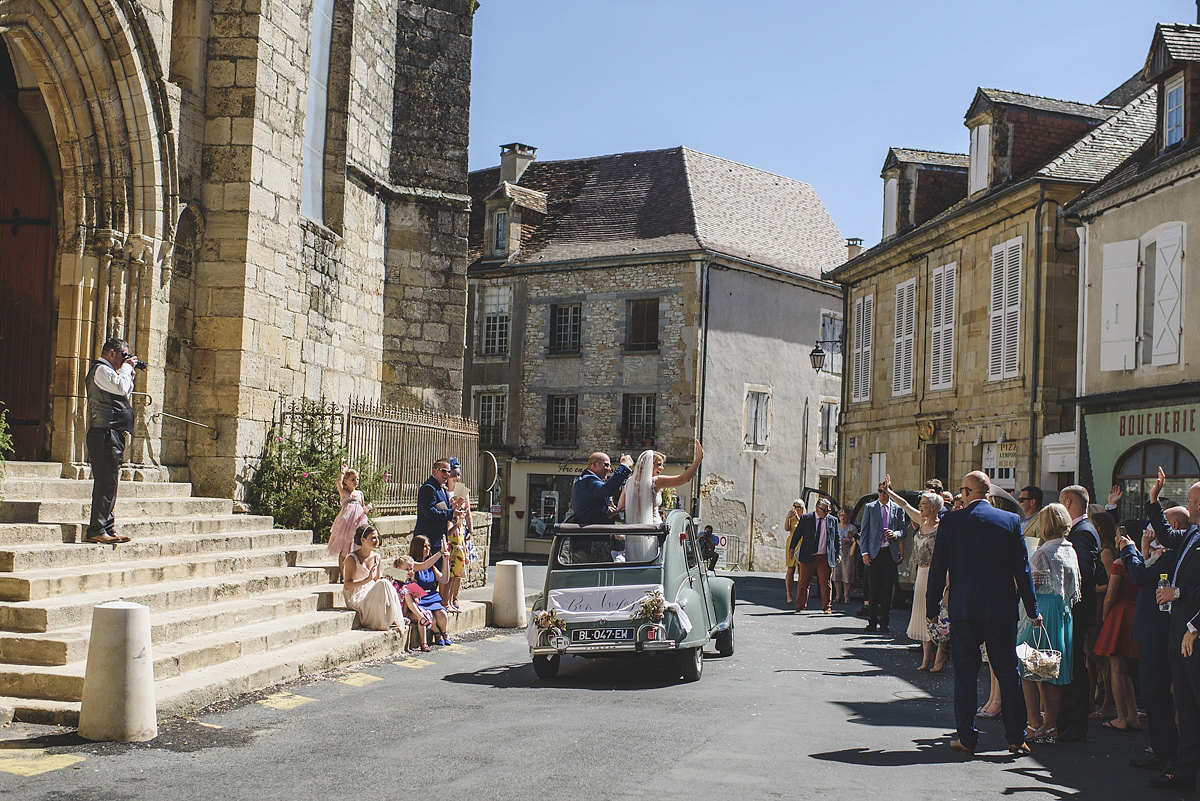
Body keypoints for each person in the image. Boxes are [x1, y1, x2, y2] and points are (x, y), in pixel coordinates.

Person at [926, 470, 1040, 757]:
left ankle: (967, 737)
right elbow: (1022, 570)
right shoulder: (1011, 521)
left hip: (965, 607)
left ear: (965, 492)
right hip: (1000, 608)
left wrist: (931, 608)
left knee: (965, 673)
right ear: (988, 493)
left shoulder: (952, 522)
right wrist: (1032, 608)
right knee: (1007, 670)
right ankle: (1015, 736)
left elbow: (938, 568)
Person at [1146, 468, 1200, 792]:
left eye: (1196, 501)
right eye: (1191, 501)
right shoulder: (1193, 534)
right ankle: (1184, 771)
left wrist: (1177, 593)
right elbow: (1165, 536)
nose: (1192, 506)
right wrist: (1153, 499)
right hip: (1179, 633)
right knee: (1187, 706)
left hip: (1195, 633)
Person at [1120, 513, 1181, 771]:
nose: (1150, 528)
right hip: (1153, 630)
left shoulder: (1173, 553)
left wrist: (1129, 550)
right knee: (1154, 693)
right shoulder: (1167, 552)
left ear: (1173, 526)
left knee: (1155, 692)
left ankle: (1165, 751)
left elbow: (1142, 577)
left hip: (1158, 633)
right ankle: (1162, 748)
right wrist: (1144, 550)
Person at [1017, 503, 1081, 745]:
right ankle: (1050, 725)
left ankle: (1034, 724)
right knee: (1051, 671)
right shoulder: (1070, 550)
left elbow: (1032, 583)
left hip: (1041, 611)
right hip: (1062, 612)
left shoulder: (1043, 552)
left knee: (1029, 669)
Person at [884, 476, 947, 671]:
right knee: (922, 614)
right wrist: (889, 491)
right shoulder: (920, 521)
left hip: (936, 574)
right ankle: (926, 658)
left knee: (938, 615)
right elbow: (903, 505)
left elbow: (947, 553)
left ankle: (940, 657)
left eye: (924, 504)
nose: (920, 507)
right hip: (921, 572)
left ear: (934, 507)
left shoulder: (942, 527)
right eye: (920, 504)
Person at [1056, 484, 1101, 743]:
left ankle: (1074, 724)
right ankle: (1068, 721)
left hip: (1075, 610)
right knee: (1071, 666)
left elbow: (1082, 574)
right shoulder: (1082, 530)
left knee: (1074, 668)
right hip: (1074, 610)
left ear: (1069, 503)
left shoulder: (1082, 533)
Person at [84, 337, 138, 544]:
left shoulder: (111, 373)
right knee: (105, 483)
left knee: (111, 482)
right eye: (124, 355)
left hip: (112, 434)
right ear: (112, 353)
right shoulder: (101, 369)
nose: (125, 360)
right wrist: (126, 370)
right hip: (104, 433)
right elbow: (121, 387)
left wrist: (127, 372)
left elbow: (123, 390)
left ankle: (107, 526)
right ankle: (96, 529)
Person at [1093, 516, 1141, 732]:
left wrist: (1105, 617)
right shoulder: (1142, 559)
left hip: (1118, 614)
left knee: (1116, 669)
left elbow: (1110, 596)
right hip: (1134, 613)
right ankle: (1132, 716)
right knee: (1126, 671)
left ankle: (1121, 716)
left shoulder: (1120, 563)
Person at [341, 525, 407, 633]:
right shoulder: (352, 558)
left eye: (377, 538)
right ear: (363, 540)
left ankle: (393, 618)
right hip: (356, 594)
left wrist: (385, 579)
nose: (377, 541)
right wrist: (367, 580)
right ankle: (391, 619)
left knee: (385, 583)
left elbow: (376, 580)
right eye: (373, 538)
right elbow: (347, 585)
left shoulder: (376, 557)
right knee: (384, 584)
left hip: (370, 589)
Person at [619, 441, 704, 525]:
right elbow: (684, 478)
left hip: (634, 531)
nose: (662, 468)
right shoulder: (655, 481)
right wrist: (699, 459)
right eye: (659, 464)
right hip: (653, 529)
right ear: (649, 465)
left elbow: (621, 507)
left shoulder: (629, 481)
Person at [861, 481, 905, 633]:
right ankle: (872, 621)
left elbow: (903, 530)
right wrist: (864, 553)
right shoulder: (870, 507)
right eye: (880, 491)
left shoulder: (897, 508)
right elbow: (864, 531)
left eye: (885, 492)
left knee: (887, 590)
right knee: (874, 589)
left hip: (889, 553)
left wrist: (896, 534)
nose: (882, 494)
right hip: (874, 553)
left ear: (890, 493)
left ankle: (884, 623)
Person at [792, 497, 841, 614]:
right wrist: (791, 548)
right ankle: (800, 606)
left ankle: (827, 607)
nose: (826, 513)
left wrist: (838, 554)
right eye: (824, 510)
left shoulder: (833, 520)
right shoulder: (806, 518)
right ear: (817, 508)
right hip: (808, 555)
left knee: (826, 583)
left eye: (828, 510)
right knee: (804, 582)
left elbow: (837, 538)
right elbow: (797, 534)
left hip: (825, 556)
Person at [408, 534, 452, 647]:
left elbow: (444, 579)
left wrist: (446, 560)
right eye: (424, 546)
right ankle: (437, 633)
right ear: (417, 548)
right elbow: (423, 566)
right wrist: (440, 552)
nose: (428, 549)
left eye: (428, 546)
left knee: (442, 615)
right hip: (419, 598)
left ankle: (444, 632)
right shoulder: (412, 564)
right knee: (430, 617)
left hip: (431, 596)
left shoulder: (431, 566)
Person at [414, 459, 460, 566]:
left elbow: (445, 511)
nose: (447, 475)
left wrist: (454, 509)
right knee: (426, 575)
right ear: (434, 471)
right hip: (428, 541)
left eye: (449, 472)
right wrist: (451, 513)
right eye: (444, 471)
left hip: (439, 540)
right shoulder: (429, 488)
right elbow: (430, 512)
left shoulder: (442, 489)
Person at [571, 451, 633, 526]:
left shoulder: (587, 480)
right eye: (606, 465)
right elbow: (606, 490)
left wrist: (605, 512)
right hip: (590, 535)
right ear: (594, 464)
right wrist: (624, 466)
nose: (609, 469)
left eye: (610, 466)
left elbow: (590, 509)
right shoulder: (587, 480)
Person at [443, 459, 470, 613]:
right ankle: (448, 599)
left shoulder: (462, 490)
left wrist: (470, 531)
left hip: (460, 532)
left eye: (458, 474)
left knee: (458, 570)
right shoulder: (444, 492)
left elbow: (468, 513)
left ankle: (455, 598)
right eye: (454, 474)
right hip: (451, 532)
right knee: (449, 572)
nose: (456, 477)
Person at [327, 465, 371, 560]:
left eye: (357, 479)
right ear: (346, 481)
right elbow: (338, 483)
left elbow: (362, 507)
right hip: (346, 523)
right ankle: (343, 571)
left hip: (358, 520)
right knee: (344, 546)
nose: (356, 482)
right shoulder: (344, 493)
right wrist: (343, 471)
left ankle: (353, 565)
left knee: (356, 543)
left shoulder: (360, 493)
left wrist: (366, 510)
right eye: (353, 479)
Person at [833, 509, 858, 605]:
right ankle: (838, 595)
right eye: (841, 515)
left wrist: (848, 539)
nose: (843, 517)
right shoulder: (836, 526)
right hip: (837, 551)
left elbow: (855, 540)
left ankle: (846, 595)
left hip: (848, 552)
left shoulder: (852, 528)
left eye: (845, 515)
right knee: (837, 574)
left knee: (847, 574)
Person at [784, 499, 806, 605]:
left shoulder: (805, 517)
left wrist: (798, 518)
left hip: (801, 543)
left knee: (802, 570)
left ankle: (800, 594)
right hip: (791, 543)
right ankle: (788, 593)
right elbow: (787, 528)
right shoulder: (791, 516)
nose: (796, 509)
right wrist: (788, 517)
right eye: (795, 506)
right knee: (790, 569)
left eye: (799, 507)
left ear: (802, 508)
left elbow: (805, 529)